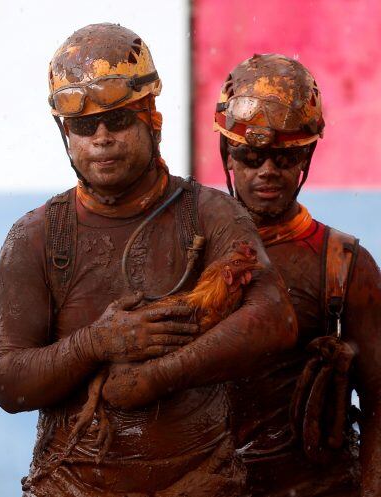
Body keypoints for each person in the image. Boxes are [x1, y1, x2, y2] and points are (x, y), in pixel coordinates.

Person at [0, 23, 296, 497]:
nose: (102, 139)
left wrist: (157, 376)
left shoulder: (210, 213)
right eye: (85, 127)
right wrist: (96, 343)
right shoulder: (36, 236)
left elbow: (274, 319)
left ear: (153, 119)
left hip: (200, 483)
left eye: (119, 120)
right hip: (71, 485)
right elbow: (8, 383)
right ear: (64, 132)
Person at [216, 53, 381, 497]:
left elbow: (380, 402)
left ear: (307, 156)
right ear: (228, 157)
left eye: (283, 158)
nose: (267, 171)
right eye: (251, 157)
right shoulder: (190, 249)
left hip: (316, 487)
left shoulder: (344, 264)